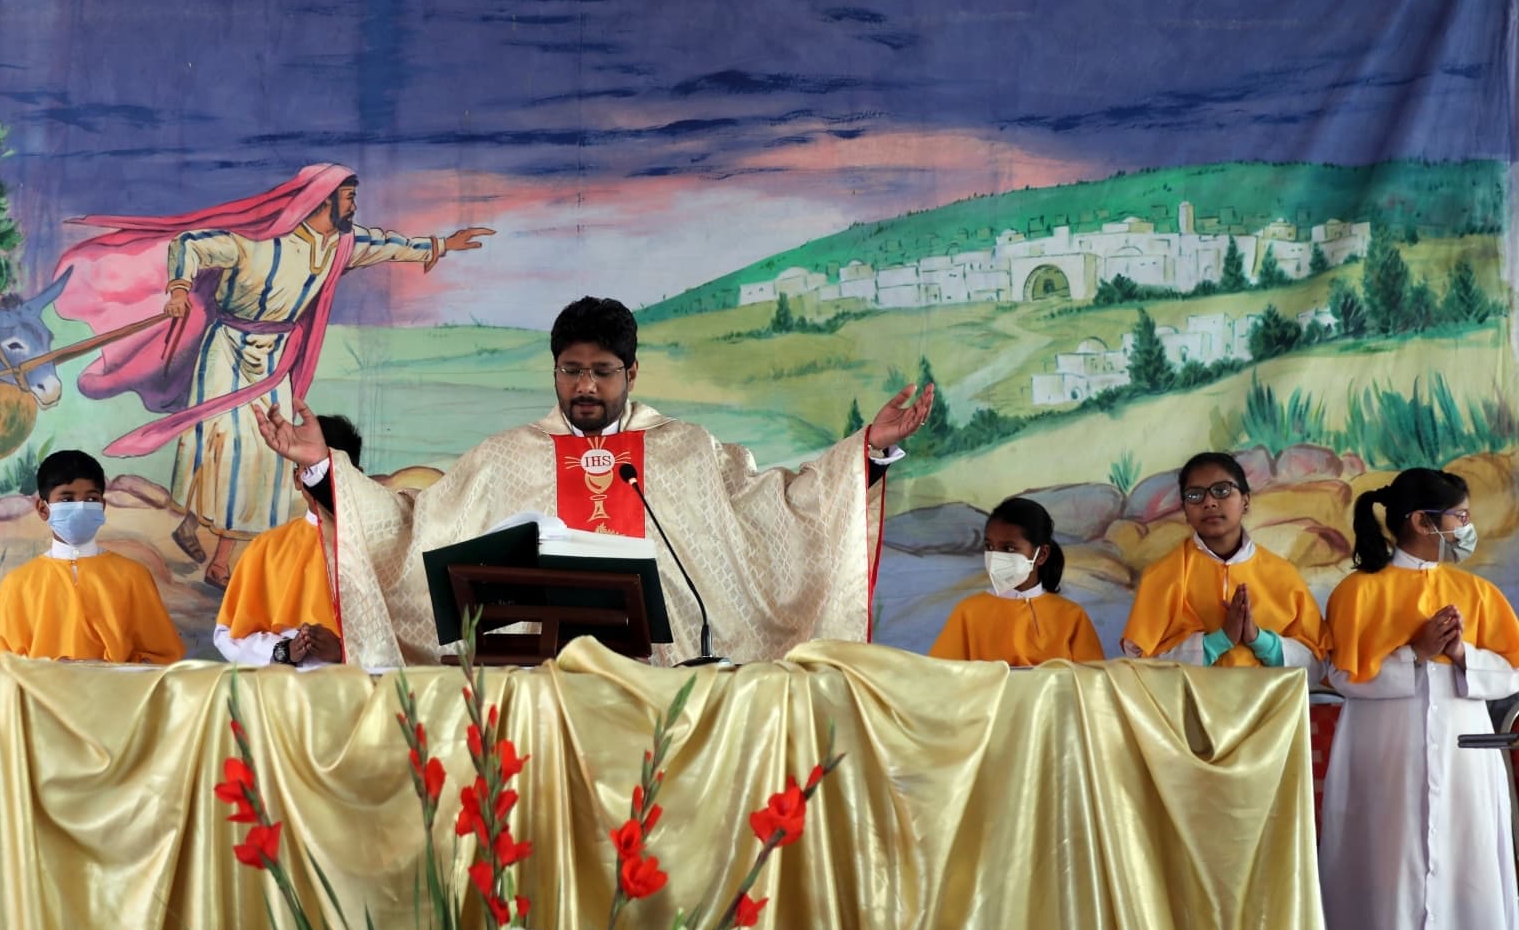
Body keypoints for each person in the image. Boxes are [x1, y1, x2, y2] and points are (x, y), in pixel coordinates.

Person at [253, 296, 933, 667]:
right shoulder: (504, 458)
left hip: (669, 687)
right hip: (536, 690)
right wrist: (322, 469)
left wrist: (866, 452)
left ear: (631, 374)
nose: (584, 385)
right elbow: (410, 529)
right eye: (570, 369)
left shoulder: (687, 450)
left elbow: (779, 512)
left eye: (602, 370)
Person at [54, 164, 494, 589]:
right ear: (323, 200)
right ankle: (197, 529)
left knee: (265, 454)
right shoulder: (257, 244)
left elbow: (386, 245)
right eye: (349, 197)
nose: (355, 205)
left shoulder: (341, 245)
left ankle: (219, 558)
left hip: (273, 357)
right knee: (222, 444)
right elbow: (191, 244)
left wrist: (442, 244)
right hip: (226, 349)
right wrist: (179, 289)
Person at [1319, 468, 1519, 930]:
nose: (1466, 526)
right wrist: (1414, 652)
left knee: (1467, 863)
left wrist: (1461, 658)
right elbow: (1342, 676)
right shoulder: (1359, 592)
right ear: (1421, 521)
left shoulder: (1477, 592)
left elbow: (1511, 672)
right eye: (1459, 516)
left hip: (1463, 762)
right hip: (1383, 756)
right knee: (1384, 866)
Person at [0, 450, 185, 664]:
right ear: (43, 509)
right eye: (67, 498)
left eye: (91, 498)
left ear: (102, 507)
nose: (80, 506)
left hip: (114, 695)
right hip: (41, 695)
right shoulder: (18, 584)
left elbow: (163, 659)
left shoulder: (133, 577)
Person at [1120, 451, 1324, 671]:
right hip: (1191, 704)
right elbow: (1142, 666)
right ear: (1185, 512)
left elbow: (1317, 665)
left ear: (1245, 501)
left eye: (1221, 491)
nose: (1209, 502)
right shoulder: (1162, 575)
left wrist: (1259, 639)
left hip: (1267, 704)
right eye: (1195, 495)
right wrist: (1218, 641)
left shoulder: (1283, 575)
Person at [212, 415, 360, 668]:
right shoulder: (266, 547)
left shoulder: (382, 543)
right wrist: (285, 650)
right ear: (297, 478)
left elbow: (413, 638)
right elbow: (227, 635)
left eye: (328, 470)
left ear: (358, 476)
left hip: (360, 690)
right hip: (279, 692)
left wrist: (345, 651)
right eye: (309, 469)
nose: (322, 482)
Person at [929, 497, 1104, 666]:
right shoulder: (967, 612)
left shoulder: (1071, 616)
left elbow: (1091, 683)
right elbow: (943, 679)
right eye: (989, 547)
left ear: (1041, 554)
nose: (996, 556)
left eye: (1009, 548)